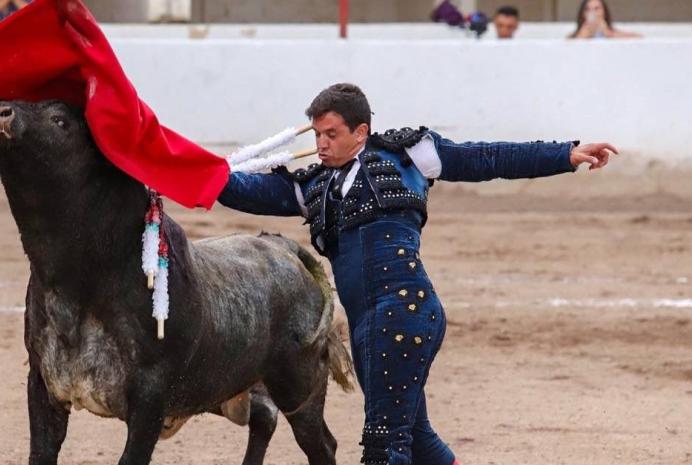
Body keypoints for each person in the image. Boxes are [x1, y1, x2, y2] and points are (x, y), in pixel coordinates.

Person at [217, 83, 618, 465]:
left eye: (332, 134)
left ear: (361, 131)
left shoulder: (408, 156)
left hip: (403, 312)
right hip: (367, 325)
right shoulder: (316, 185)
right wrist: (185, 173)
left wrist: (564, 154)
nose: (321, 144)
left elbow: (487, 158)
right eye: (318, 134)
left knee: (384, 444)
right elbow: (244, 190)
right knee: (416, 435)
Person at [569, 0, 641, 39]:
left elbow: (639, 38)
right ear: (582, 14)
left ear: (604, 12)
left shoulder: (611, 32)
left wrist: (609, 34)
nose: (592, 13)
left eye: (596, 9)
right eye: (587, 9)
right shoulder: (575, 36)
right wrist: (581, 37)